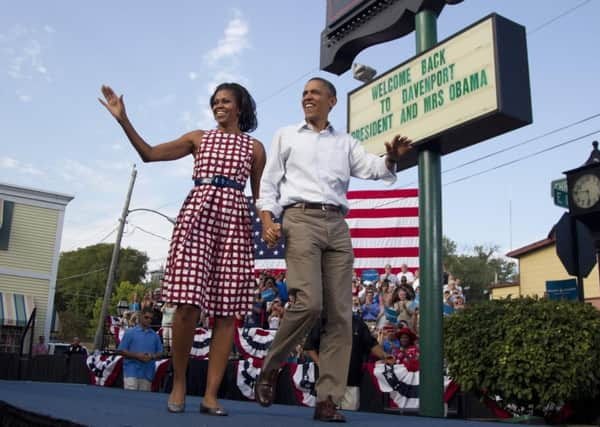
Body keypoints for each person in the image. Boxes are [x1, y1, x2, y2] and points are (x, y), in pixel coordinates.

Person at [100, 82, 265, 416]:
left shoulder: (255, 148)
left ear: (241, 107)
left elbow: (261, 196)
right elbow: (148, 154)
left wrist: (271, 223)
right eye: (215, 101)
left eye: (226, 101)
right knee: (187, 306)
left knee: (225, 314)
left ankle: (210, 395)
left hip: (235, 225)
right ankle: (179, 383)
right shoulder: (199, 138)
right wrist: (123, 119)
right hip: (197, 217)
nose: (219, 106)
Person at [254, 76, 412, 422]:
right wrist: (268, 220)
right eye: (304, 93)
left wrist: (390, 159)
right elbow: (268, 185)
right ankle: (271, 366)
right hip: (299, 218)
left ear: (332, 101)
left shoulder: (346, 143)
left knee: (341, 316)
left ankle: (327, 400)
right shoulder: (286, 135)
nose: (308, 98)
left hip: (337, 225)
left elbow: (372, 168)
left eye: (315, 93)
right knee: (309, 302)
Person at [304, 315, 394, 411]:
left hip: (352, 379)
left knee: (351, 414)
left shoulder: (358, 322)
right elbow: (309, 346)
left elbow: (371, 344)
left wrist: (385, 356)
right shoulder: (323, 320)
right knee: (326, 413)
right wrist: (319, 363)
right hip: (329, 379)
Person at [117, 306, 163, 391]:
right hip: (131, 372)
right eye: (146, 317)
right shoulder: (130, 333)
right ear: (141, 316)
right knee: (130, 400)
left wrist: (152, 356)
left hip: (147, 374)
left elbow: (160, 353)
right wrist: (137, 356)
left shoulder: (155, 336)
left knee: (143, 402)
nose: (149, 320)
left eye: (150, 318)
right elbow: (121, 351)